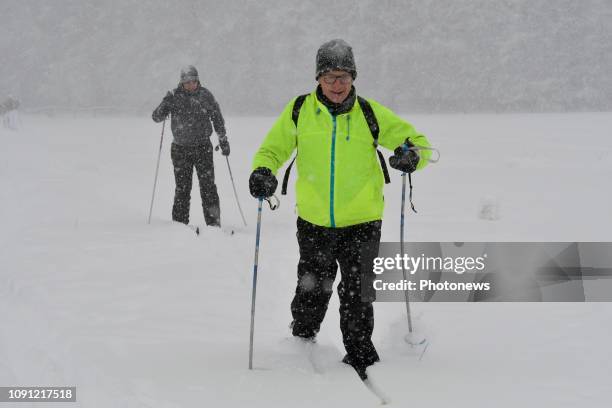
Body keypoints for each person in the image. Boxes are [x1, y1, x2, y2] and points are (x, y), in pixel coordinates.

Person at [248, 39, 432, 379]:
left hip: (362, 220)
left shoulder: (369, 113)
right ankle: (302, 338)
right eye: (330, 77)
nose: (337, 84)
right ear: (318, 78)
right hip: (315, 220)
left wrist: (411, 156)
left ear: (353, 77)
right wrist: (262, 171)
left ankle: (360, 353)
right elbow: (271, 150)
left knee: (359, 290)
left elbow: (418, 144)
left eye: (344, 77)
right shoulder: (299, 110)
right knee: (312, 285)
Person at [152, 66, 229, 227]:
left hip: (203, 148)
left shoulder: (205, 95)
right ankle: (179, 225)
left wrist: (223, 139)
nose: (190, 84)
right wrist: (165, 105)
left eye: (193, 81)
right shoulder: (174, 96)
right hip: (180, 149)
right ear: (182, 82)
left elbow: (217, 118)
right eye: (187, 82)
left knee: (208, 188)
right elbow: (156, 117)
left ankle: (214, 224)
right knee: (182, 189)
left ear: (197, 80)